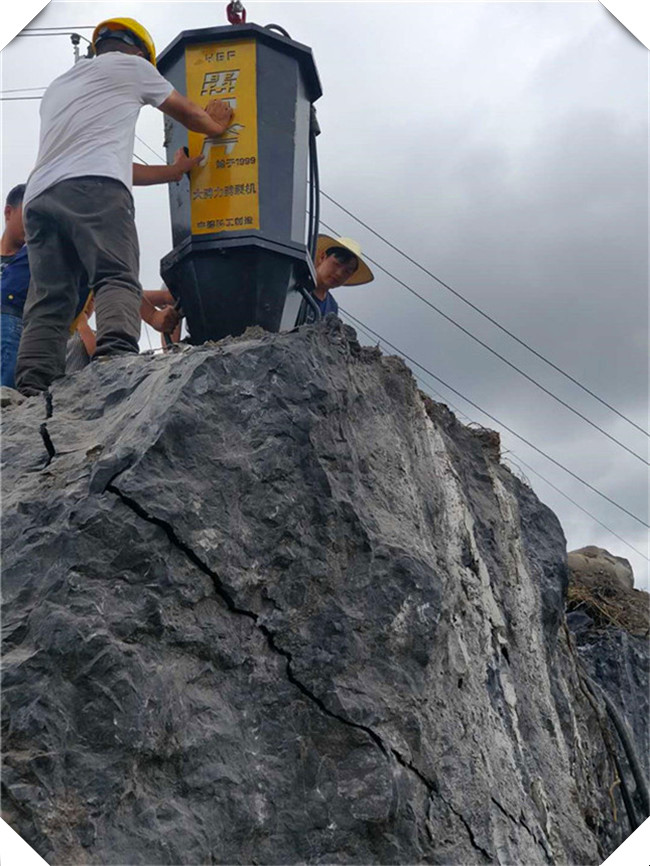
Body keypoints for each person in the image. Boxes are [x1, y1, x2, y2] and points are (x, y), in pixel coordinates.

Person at [15, 16, 234, 396]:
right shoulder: (133, 66)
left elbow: (105, 159)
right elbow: (188, 112)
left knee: (50, 298)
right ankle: (114, 359)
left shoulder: (60, 85)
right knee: (115, 276)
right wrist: (215, 127)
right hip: (96, 190)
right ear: (139, 52)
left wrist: (173, 171)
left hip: (40, 195)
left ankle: (31, 387)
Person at [1, 185, 29, 388]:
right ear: (9, 212)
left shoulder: (35, 260)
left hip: (16, 336)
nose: (33, 223)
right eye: (28, 214)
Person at [308, 235, 374, 320]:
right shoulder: (295, 284)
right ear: (322, 257)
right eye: (336, 264)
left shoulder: (332, 307)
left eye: (347, 271)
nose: (339, 274)